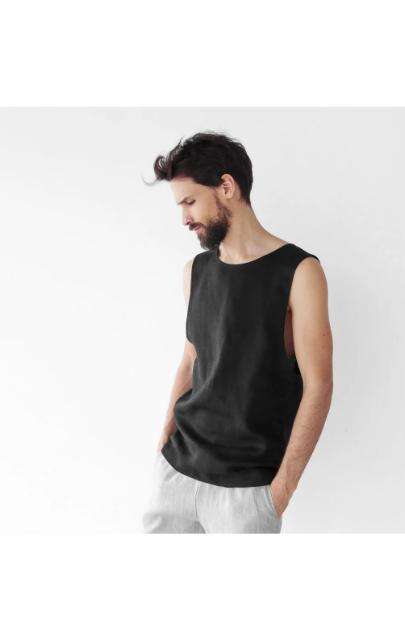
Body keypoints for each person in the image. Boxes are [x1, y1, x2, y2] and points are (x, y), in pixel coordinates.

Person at [141, 131, 333, 533]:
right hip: (176, 475)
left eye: (190, 202)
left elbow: (319, 385)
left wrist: (280, 492)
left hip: (246, 494)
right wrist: (162, 446)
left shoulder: (299, 272)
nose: (184, 219)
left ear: (226, 187)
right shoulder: (195, 271)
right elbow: (191, 361)